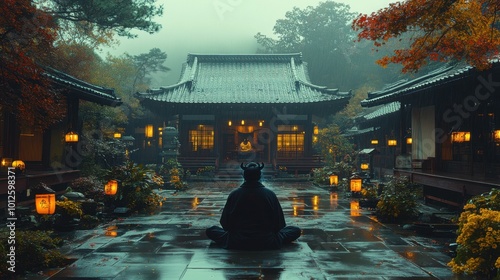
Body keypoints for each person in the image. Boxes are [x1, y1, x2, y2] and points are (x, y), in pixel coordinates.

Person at [206, 162, 301, 250]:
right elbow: (279, 224)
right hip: (267, 240)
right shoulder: (270, 194)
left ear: (244, 176)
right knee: (295, 230)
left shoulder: (234, 194)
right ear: (260, 176)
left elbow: (225, 224)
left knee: (211, 231)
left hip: (238, 240)